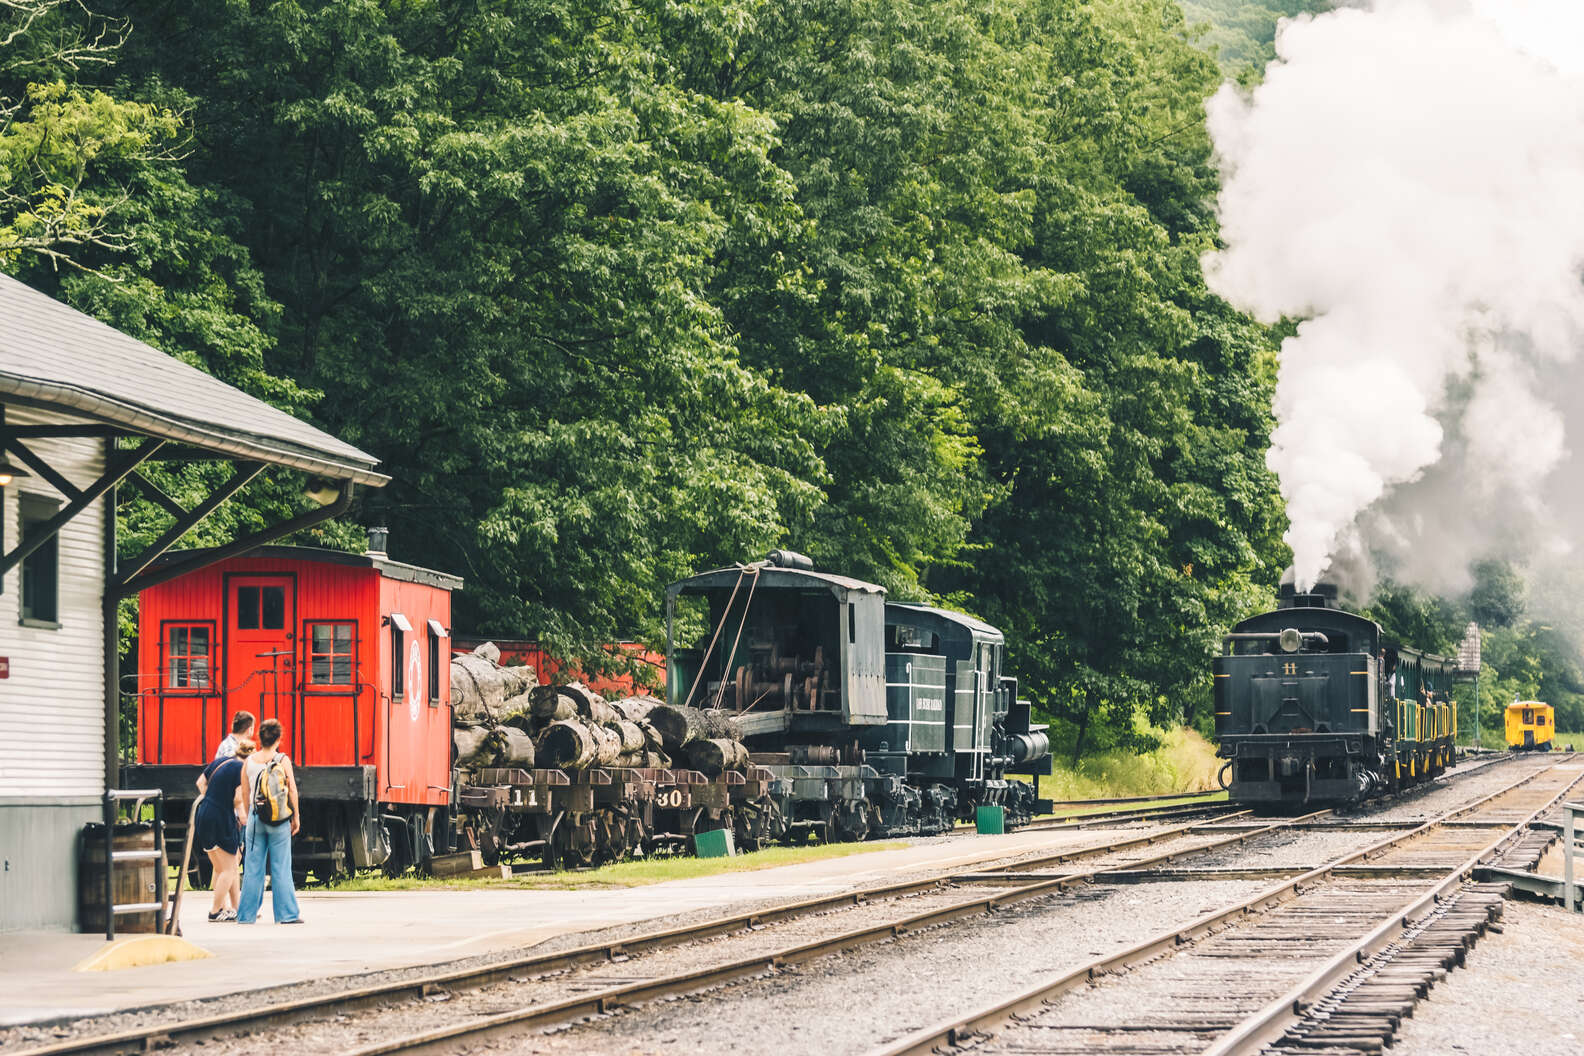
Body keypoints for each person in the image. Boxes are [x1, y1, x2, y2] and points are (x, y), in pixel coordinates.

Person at [236, 718, 303, 924]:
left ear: (260, 737)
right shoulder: (282, 760)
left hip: (256, 819)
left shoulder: (249, 761)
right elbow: (291, 789)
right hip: (279, 820)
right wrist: (296, 816)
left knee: (252, 868)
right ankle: (287, 915)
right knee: (280, 866)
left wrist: (250, 815)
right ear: (278, 739)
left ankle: (246, 915)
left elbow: (246, 792)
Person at [194, 738, 252, 921]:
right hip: (222, 817)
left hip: (204, 812)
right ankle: (215, 910)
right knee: (229, 869)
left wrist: (212, 796)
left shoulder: (220, 761)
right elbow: (236, 799)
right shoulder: (242, 770)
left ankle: (235, 908)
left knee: (222, 868)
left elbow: (200, 783)